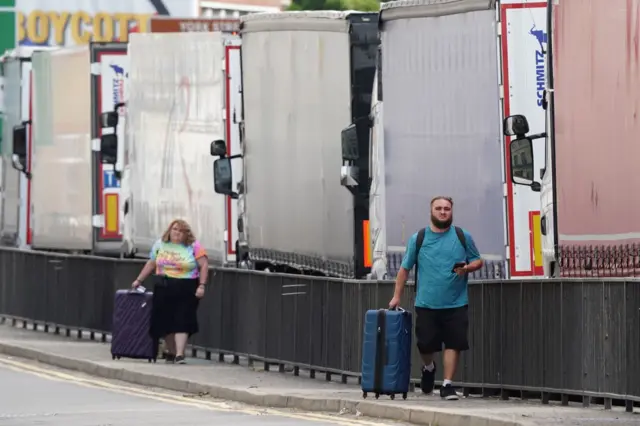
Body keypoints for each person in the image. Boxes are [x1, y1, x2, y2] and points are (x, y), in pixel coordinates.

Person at [389, 196, 483, 400]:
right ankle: (429, 367)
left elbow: (478, 261)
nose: (443, 212)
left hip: (456, 302)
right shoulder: (419, 238)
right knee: (425, 344)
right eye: (439, 208)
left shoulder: (461, 236)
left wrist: (466, 268)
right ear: (431, 211)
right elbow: (404, 269)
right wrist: (397, 296)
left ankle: (448, 384)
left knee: (454, 343)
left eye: (447, 209)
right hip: (426, 303)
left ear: (452, 211)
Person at [132, 219, 208, 364]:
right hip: (164, 285)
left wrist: (202, 285)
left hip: (187, 286)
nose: (177, 233)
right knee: (165, 321)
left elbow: (204, 266)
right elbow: (151, 263)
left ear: (187, 234)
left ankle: (180, 354)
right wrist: (139, 280)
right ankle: (172, 352)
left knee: (182, 319)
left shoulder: (194, 246)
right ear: (169, 230)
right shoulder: (160, 244)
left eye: (181, 231)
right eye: (175, 229)